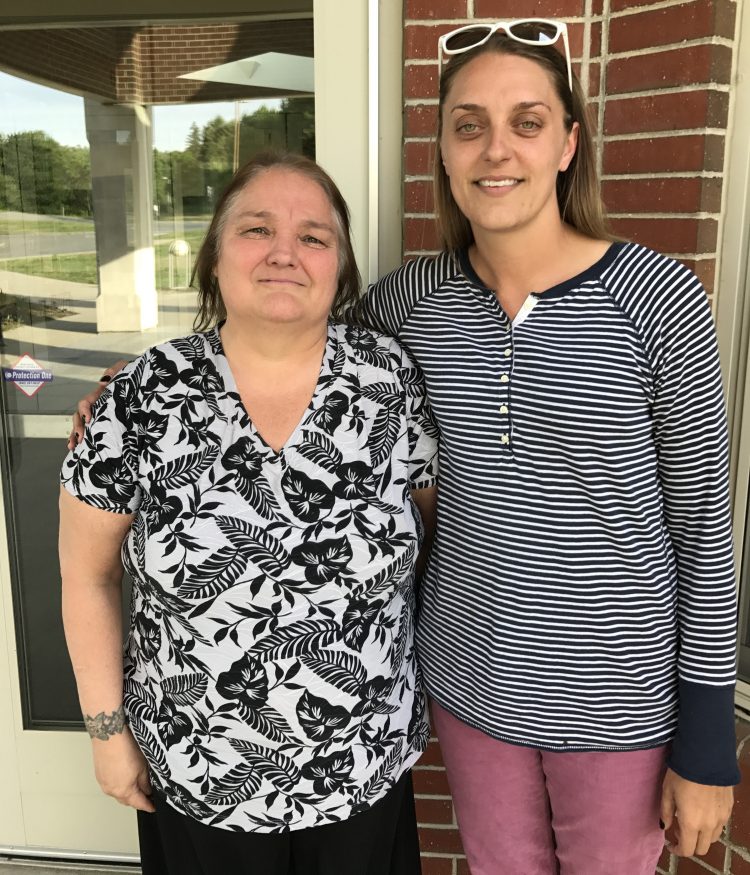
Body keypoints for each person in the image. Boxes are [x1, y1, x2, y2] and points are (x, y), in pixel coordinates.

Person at [69, 20, 739, 875]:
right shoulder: (411, 302)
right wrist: (140, 384)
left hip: (621, 709)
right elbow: (286, 334)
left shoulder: (657, 300)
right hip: (471, 691)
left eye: (528, 122)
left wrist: (708, 738)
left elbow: (705, 531)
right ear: (446, 153)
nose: (497, 150)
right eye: (469, 125)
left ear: (569, 143)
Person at [59, 151, 438, 875]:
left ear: (341, 267)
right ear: (214, 258)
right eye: (256, 229)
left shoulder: (390, 383)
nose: (284, 253)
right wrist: (108, 734)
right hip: (200, 774)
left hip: (364, 769)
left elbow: (422, 533)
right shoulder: (139, 400)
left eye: (314, 236)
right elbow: (86, 576)